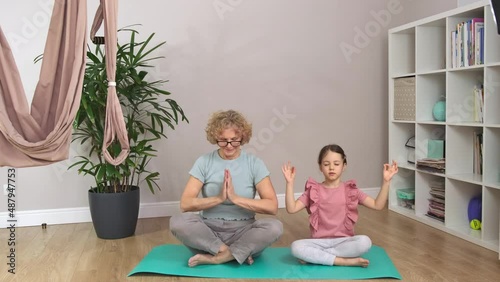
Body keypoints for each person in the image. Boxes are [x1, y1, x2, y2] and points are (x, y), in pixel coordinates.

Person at [170, 109, 283, 267]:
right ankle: (231, 253)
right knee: (177, 222)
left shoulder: (255, 163)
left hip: (244, 231)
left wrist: (235, 199)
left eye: (234, 140)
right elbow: (185, 204)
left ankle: (216, 257)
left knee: (274, 227)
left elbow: (272, 206)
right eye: (223, 140)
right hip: (209, 232)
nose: (229, 146)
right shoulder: (204, 162)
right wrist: (219, 198)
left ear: (242, 137)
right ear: (215, 138)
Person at [281, 144, 398, 267]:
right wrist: (289, 183)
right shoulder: (313, 190)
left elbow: (377, 205)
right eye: (326, 164)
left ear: (344, 166)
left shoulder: (351, 190)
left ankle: (318, 257)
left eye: (336, 164)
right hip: (318, 242)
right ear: (320, 167)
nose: (331, 168)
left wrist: (386, 182)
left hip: (344, 242)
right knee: (296, 247)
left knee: (365, 242)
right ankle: (342, 261)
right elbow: (291, 208)